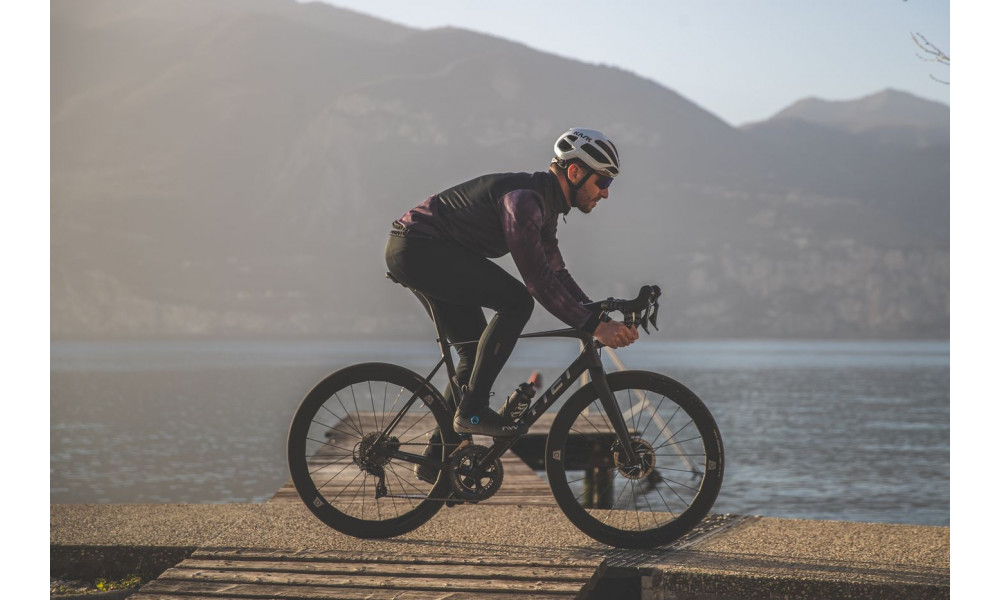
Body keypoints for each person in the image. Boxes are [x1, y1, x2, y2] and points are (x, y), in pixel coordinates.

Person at [385, 128, 639, 479]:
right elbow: (538, 282)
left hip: (425, 250)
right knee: (517, 301)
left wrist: (598, 313)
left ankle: (437, 462)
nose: (606, 193)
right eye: (603, 181)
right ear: (575, 172)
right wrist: (594, 326)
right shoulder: (524, 202)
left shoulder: (545, 206)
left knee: (473, 352)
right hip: (418, 248)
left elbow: (557, 272)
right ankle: (472, 412)